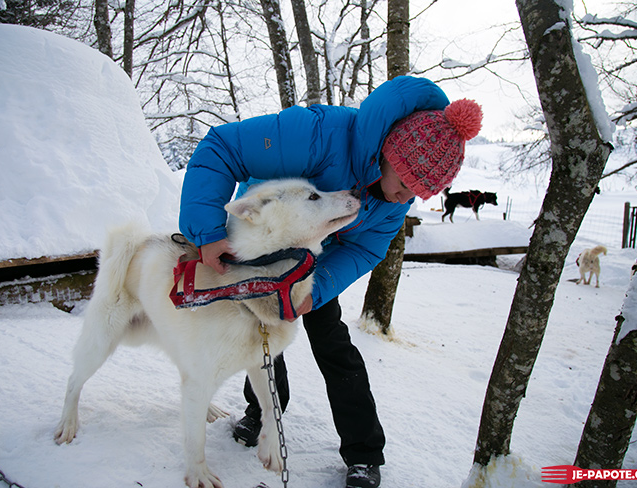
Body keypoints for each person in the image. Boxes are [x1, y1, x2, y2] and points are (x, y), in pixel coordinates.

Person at [179, 76, 482, 488]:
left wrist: (315, 290)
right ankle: (262, 412)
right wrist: (207, 233)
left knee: (333, 343)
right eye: (408, 184)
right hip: (261, 243)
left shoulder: (395, 203)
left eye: (422, 193)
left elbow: (364, 250)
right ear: (392, 154)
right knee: (260, 334)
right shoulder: (321, 135)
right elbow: (222, 148)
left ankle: (363, 452)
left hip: (316, 263)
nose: (408, 198)